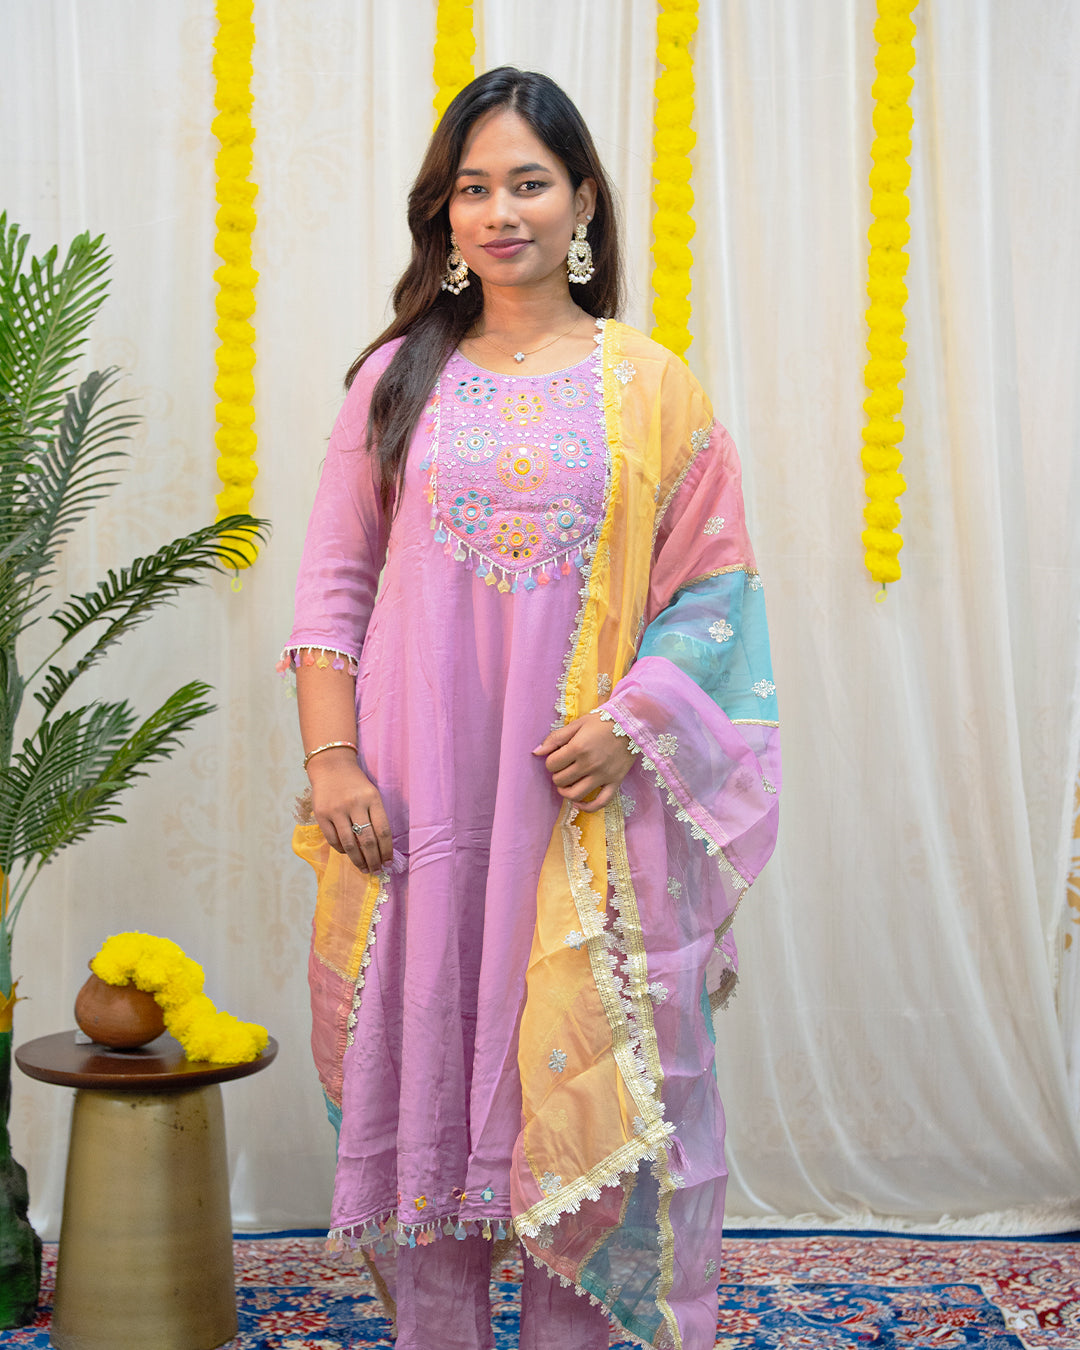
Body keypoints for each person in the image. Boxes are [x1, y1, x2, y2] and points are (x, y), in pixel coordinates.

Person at [283, 66, 780, 1350]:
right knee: (436, 1103)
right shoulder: (395, 378)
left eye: (528, 183)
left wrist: (637, 720)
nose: (501, 211)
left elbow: (717, 593)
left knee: (584, 1113)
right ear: (443, 218)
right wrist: (333, 764)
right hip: (418, 805)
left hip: (584, 811)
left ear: (583, 202)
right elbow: (334, 582)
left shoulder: (652, 384)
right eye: (472, 188)